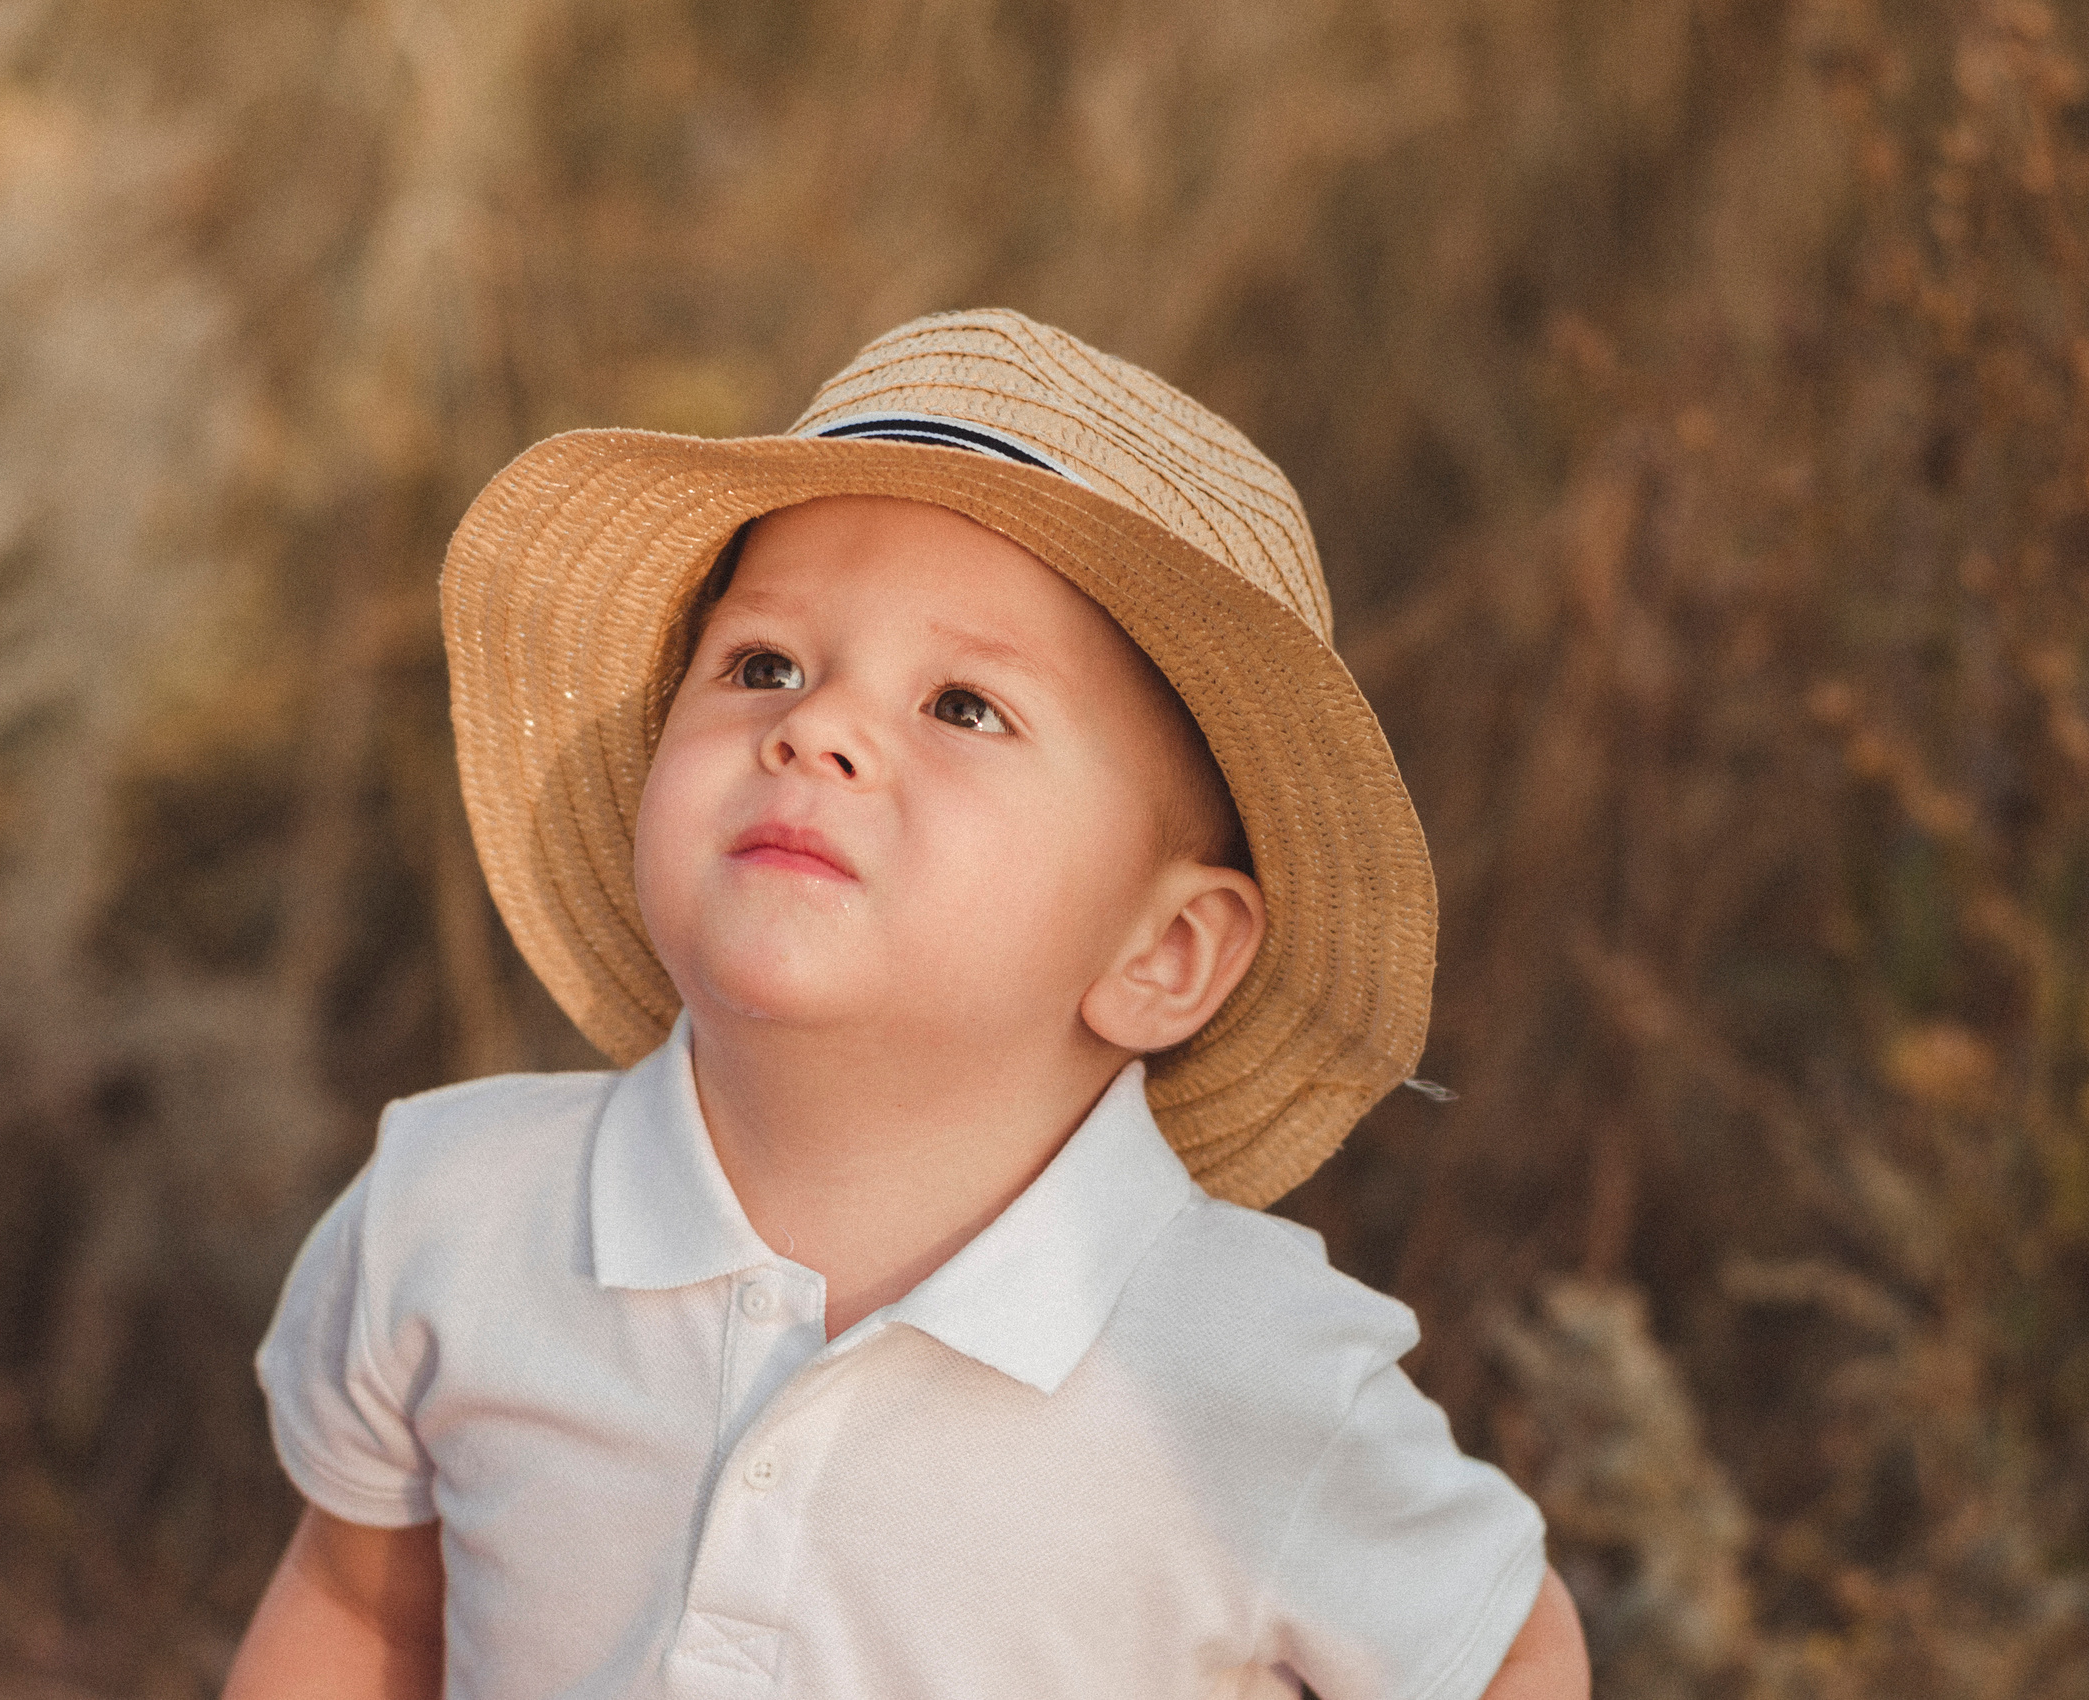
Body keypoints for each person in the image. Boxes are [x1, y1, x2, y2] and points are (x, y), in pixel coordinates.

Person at [224, 309, 1592, 1699]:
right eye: (764, 665)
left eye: (964, 706)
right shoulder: (456, 1216)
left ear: (1164, 952)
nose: (814, 728)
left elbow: (1512, 1651)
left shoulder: (1250, 1380)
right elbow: (359, 1614)